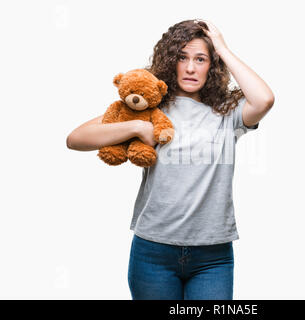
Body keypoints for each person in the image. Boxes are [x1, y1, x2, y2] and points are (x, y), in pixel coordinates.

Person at [66, 19, 274, 300]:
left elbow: (264, 100)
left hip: (213, 256)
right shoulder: (148, 108)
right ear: (170, 61)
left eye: (201, 59)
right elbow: (76, 138)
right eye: (182, 57)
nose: (190, 68)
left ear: (212, 65)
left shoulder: (228, 113)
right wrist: (136, 128)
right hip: (154, 252)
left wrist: (222, 48)